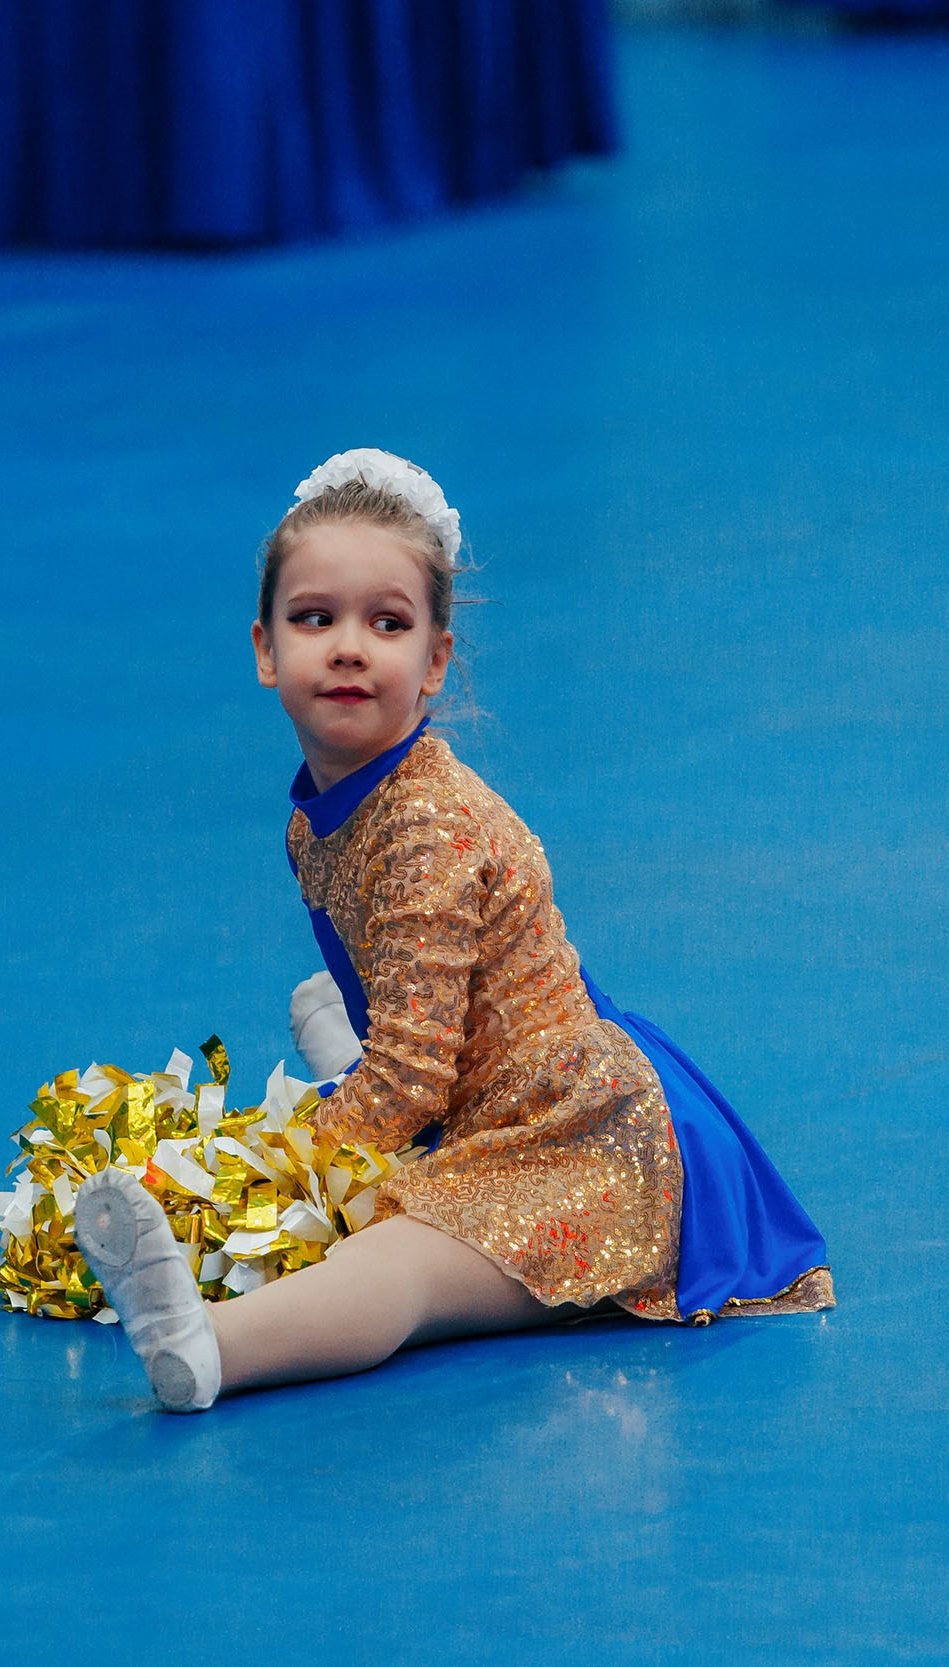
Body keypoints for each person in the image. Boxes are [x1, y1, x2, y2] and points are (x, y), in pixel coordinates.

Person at [76, 449, 834, 1412]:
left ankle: (207, 1344)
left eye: (386, 623)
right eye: (316, 618)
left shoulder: (425, 827)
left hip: (580, 1145)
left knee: (411, 1264)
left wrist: (264, 1176)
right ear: (265, 648)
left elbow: (414, 1079)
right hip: (489, 1095)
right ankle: (345, 1046)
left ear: (434, 662)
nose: (349, 646)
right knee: (384, 1104)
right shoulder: (327, 810)